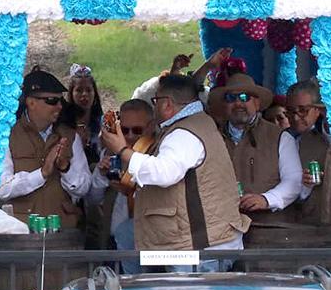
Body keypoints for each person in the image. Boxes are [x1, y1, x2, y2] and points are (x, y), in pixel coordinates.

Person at [101, 74, 249, 272]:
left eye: (155, 101)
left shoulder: (184, 133)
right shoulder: (198, 123)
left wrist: (123, 150)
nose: (153, 107)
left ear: (167, 104)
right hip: (201, 241)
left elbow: (165, 173)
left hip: (198, 248)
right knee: (127, 232)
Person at [0, 68, 90, 228]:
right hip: (19, 233)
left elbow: (84, 188)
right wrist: (42, 173)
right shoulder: (5, 136)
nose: (59, 106)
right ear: (31, 102)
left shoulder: (69, 136)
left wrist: (65, 168)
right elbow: (1, 188)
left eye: (61, 101)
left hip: (63, 231)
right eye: (52, 101)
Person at [212, 73, 301, 226]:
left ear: (257, 103)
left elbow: (294, 181)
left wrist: (267, 199)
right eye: (231, 98)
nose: (238, 103)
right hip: (222, 229)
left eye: (245, 97)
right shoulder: (211, 138)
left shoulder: (280, 137)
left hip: (269, 228)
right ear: (224, 105)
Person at [85, 99, 154, 270]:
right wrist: (101, 175)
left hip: (149, 245)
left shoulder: (158, 153)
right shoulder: (109, 153)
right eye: (124, 130)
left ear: (151, 126)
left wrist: (130, 191)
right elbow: (93, 199)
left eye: (137, 130)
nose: (130, 136)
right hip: (113, 243)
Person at [285, 80, 331, 233]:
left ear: (319, 109)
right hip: (313, 232)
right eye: (291, 111)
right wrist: (305, 186)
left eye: (302, 110)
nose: (295, 118)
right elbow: (293, 197)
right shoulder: (298, 142)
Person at [60, 64, 104, 165]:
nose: (84, 94)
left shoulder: (101, 122)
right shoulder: (64, 123)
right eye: (79, 90)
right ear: (71, 93)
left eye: (88, 90)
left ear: (94, 93)